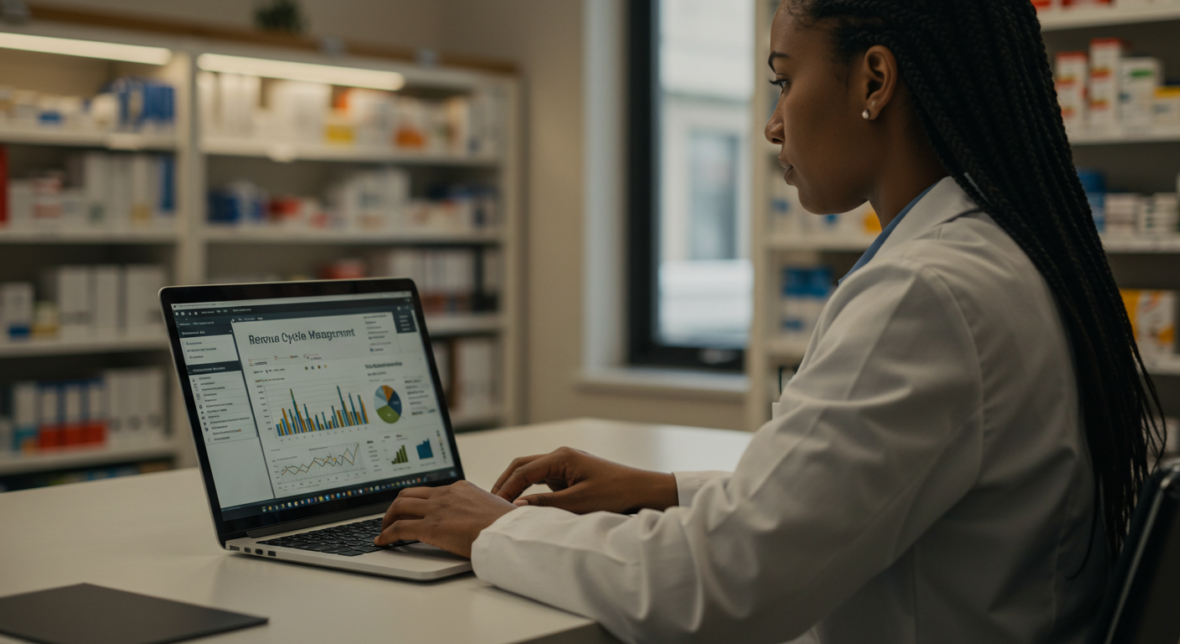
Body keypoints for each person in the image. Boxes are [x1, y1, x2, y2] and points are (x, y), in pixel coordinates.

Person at [375, 1, 1166, 642]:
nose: (773, 123)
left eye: (784, 82)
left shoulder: (929, 294)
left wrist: (495, 530)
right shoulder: (1003, 252)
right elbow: (854, 491)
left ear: (876, 79)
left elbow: (718, 588)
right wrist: (661, 489)